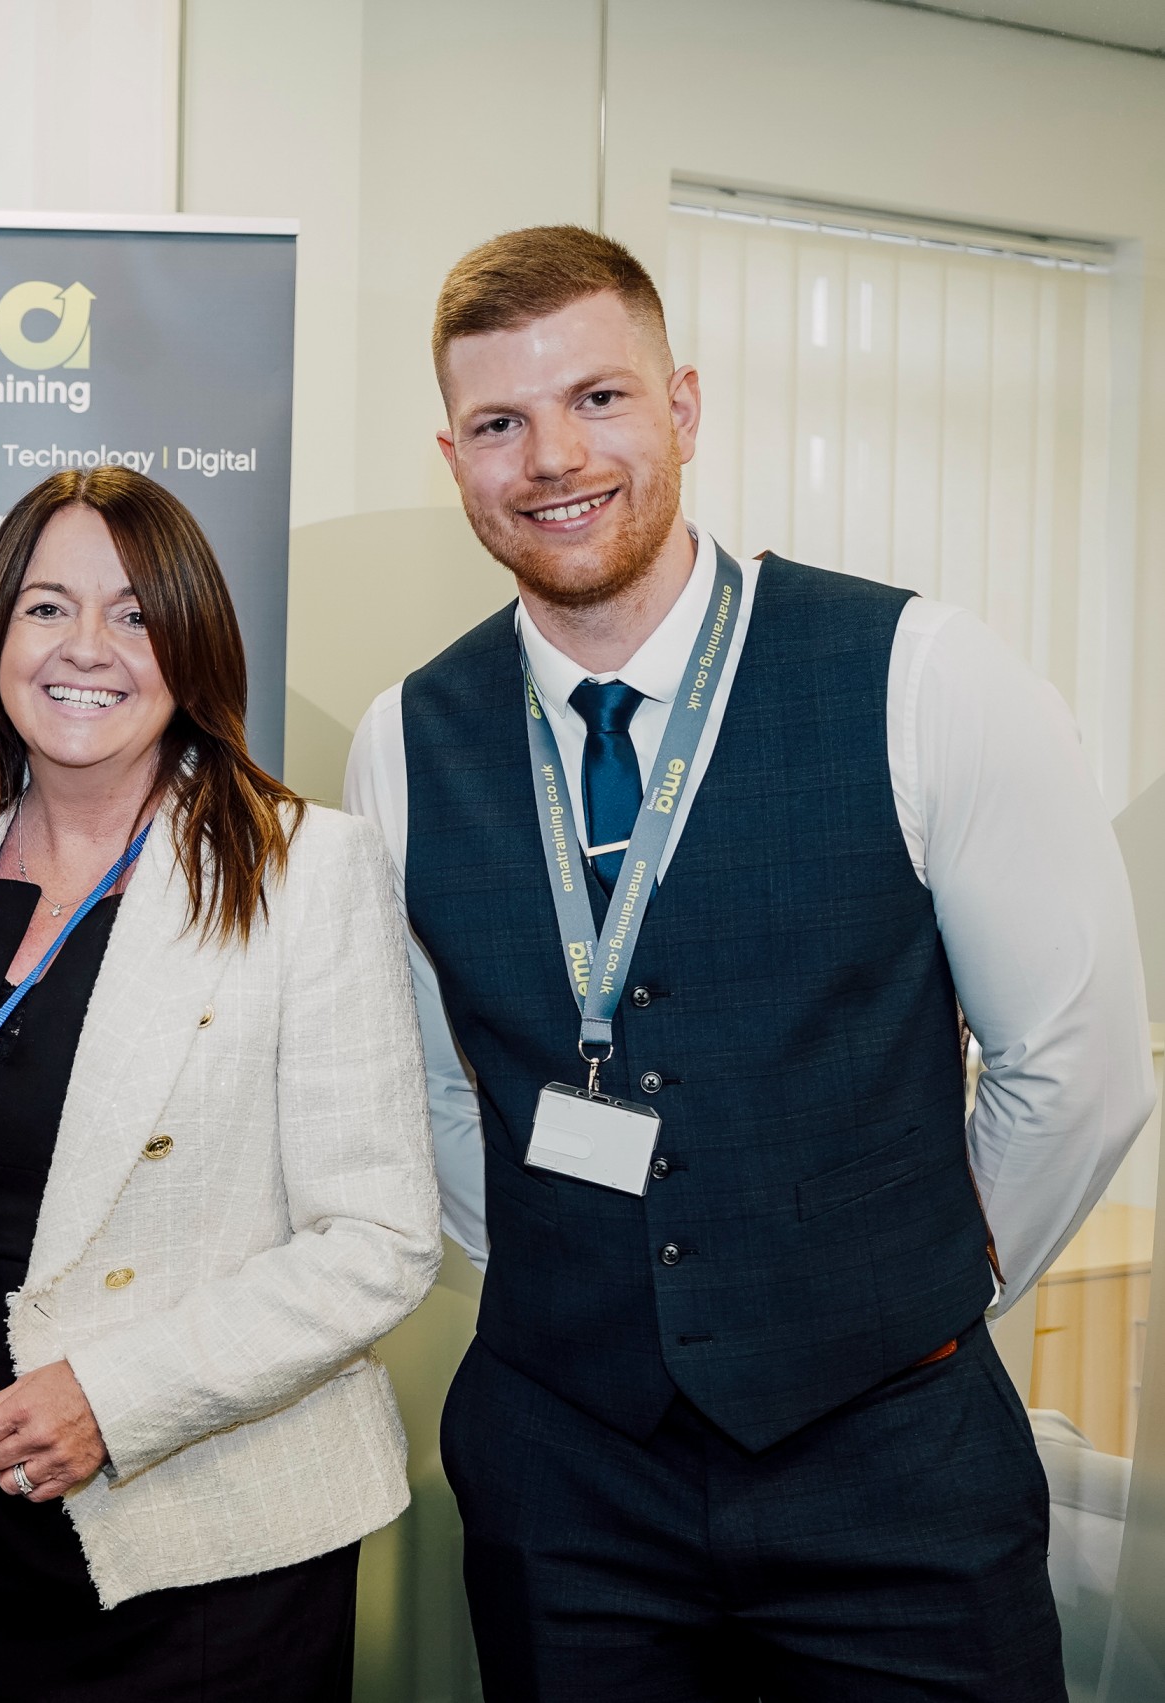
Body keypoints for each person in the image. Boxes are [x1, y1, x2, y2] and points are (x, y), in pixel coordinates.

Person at [344, 225, 1154, 1700]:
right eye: (497, 422)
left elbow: (1077, 1065)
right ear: (451, 456)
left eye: (597, 398)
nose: (549, 457)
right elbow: (428, 1093)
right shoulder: (403, 739)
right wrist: (575, 1280)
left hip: (893, 1474)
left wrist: (925, 1280)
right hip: (563, 1487)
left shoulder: (920, 670)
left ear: (684, 409)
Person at [0, 468, 440, 1702]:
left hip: (201, 1537)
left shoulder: (302, 866)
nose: (85, 649)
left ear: (190, 641)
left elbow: (377, 1239)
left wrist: (115, 1399)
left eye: (132, 613)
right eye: (45, 607)